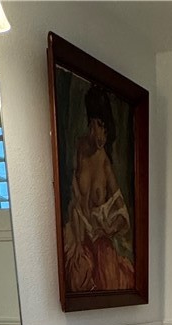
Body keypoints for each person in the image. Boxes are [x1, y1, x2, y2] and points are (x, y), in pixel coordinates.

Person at [64, 84, 135, 293]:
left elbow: (123, 215)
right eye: (100, 126)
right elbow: (72, 198)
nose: (102, 134)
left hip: (99, 240)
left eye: (106, 129)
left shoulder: (105, 163)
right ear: (92, 123)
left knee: (107, 273)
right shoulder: (77, 150)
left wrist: (109, 228)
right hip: (77, 235)